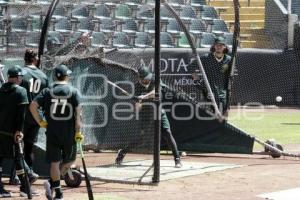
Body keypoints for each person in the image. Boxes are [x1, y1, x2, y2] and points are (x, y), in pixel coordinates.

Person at [30, 64, 83, 200]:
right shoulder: (73, 91)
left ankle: (58, 192)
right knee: (70, 160)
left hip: (52, 132)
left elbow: (33, 106)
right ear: (67, 76)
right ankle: (52, 183)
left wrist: (40, 122)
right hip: (69, 133)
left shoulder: (47, 91)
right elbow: (78, 115)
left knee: (54, 162)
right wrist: (78, 131)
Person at [115, 67, 182, 168]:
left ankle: (177, 159)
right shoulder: (136, 87)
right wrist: (138, 103)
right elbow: (137, 109)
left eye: (148, 77)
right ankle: (122, 152)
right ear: (140, 78)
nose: (148, 80)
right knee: (142, 139)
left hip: (159, 112)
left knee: (167, 133)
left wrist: (144, 96)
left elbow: (156, 92)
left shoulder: (155, 79)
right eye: (145, 79)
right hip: (146, 114)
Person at [0, 65, 39, 198]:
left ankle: (4, 188)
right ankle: (26, 182)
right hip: (12, 133)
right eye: (20, 76)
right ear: (16, 77)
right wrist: (19, 131)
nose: (21, 78)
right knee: (19, 158)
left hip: (1, 132)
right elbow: (21, 115)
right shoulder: (21, 91)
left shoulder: (0, 89)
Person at [20, 49, 49, 180]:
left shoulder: (21, 73)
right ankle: (29, 172)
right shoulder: (43, 76)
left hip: (22, 115)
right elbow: (46, 98)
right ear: (36, 59)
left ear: (25, 59)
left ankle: (24, 176)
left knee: (16, 148)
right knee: (29, 147)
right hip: (37, 117)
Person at [192, 36, 232, 115]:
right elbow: (192, 67)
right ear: (214, 46)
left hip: (222, 91)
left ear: (225, 47)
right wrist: (196, 79)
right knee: (211, 114)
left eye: (221, 45)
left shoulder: (229, 59)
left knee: (223, 112)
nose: (219, 47)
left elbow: (231, 74)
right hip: (209, 90)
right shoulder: (206, 58)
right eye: (217, 45)